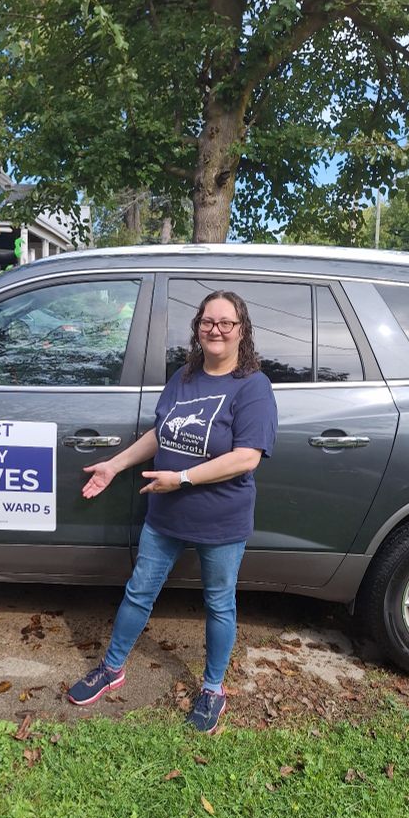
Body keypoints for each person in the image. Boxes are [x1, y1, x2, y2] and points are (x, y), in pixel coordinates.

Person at [67, 291, 278, 733]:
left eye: (226, 323)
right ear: (197, 327)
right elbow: (160, 435)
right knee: (138, 591)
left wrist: (180, 480)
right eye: (207, 322)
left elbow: (246, 457)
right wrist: (115, 463)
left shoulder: (253, 386)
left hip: (220, 521)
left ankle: (213, 689)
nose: (215, 330)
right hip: (165, 516)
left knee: (219, 604)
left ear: (242, 330)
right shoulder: (183, 377)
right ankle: (112, 668)